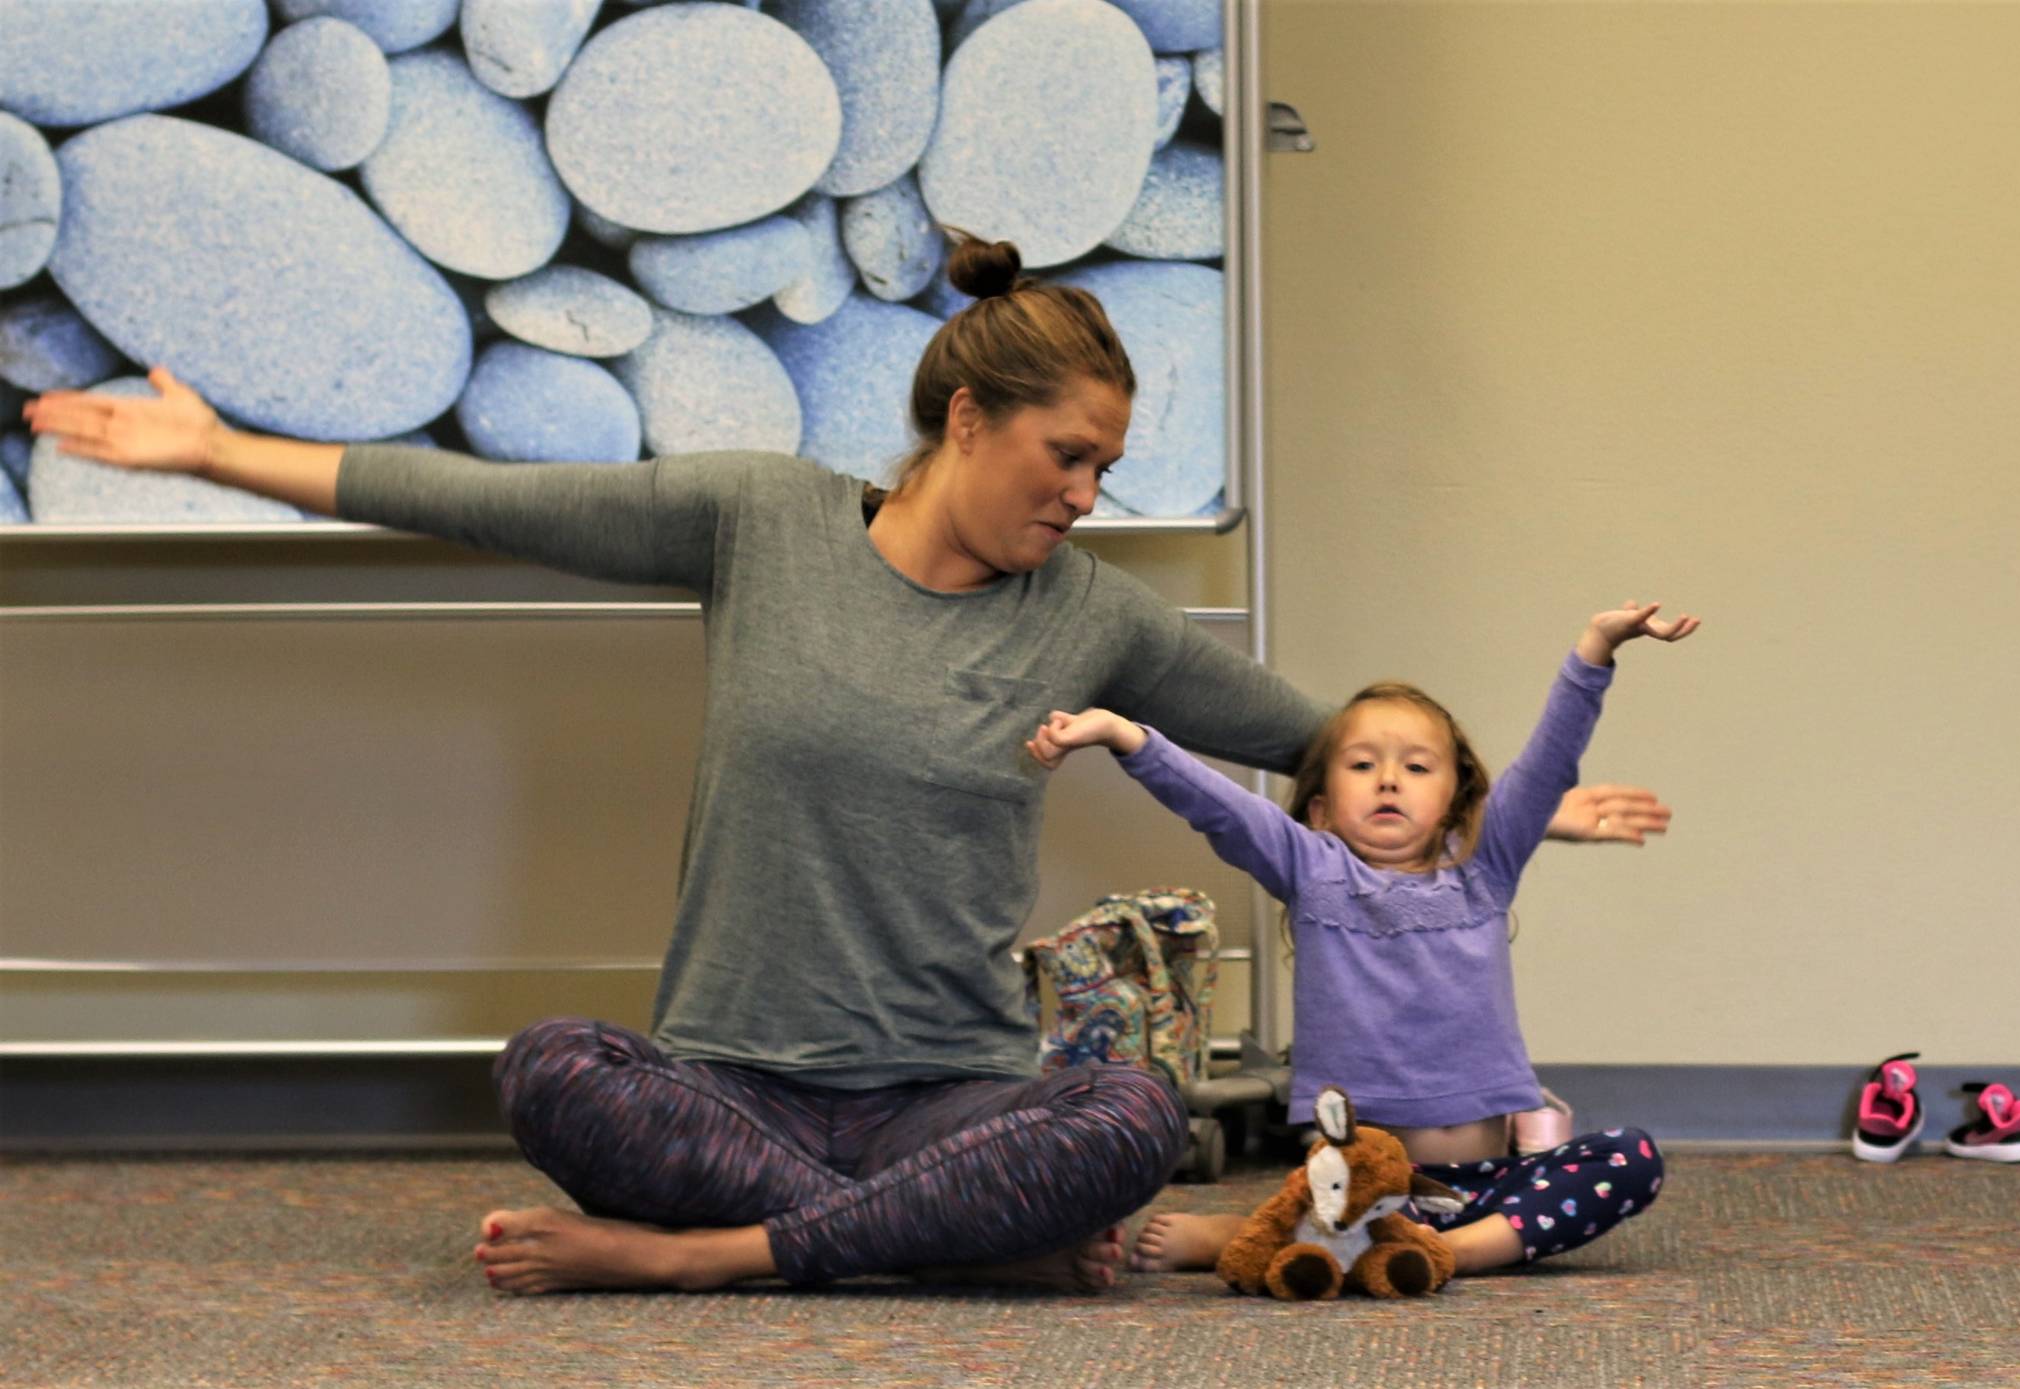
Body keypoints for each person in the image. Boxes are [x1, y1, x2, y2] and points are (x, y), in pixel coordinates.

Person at [23, 234, 1673, 1296]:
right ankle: (919, 1238)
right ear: (965, 421)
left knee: (1117, 1115)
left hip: (940, 1089)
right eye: (1067, 453)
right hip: (735, 1074)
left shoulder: (1086, 614)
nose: (1089, 493)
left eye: (1104, 461)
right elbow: (479, 497)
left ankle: (706, 1256)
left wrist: (1486, 802)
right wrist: (215, 447)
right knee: (550, 1065)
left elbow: (1325, 738)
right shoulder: (757, 519)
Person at [1025, 600, 1700, 1275]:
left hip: (1492, 1183)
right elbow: (1217, 806)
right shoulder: (1312, 869)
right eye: (1361, 765)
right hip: (1366, 1190)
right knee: (1339, 1205)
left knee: (1629, 1157)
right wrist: (1127, 737)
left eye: (1416, 766)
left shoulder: (1484, 868)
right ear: (1319, 808)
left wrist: (1595, 648)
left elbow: (1549, 762)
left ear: (1458, 800)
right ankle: (1334, 1239)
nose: (1388, 779)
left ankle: (1446, 1251)